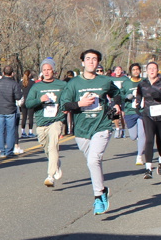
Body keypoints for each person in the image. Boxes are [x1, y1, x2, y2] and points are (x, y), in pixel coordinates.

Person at [60, 49, 122, 214]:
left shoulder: (105, 81)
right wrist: (79, 104)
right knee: (94, 163)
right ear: (83, 62)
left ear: (98, 62)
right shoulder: (74, 83)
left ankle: (98, 197)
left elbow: (117, 93)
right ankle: (103, 190)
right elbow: (64, 105)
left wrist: (117, 104)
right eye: (88, 59)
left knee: (93, 161)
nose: (91, 62)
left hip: (102, 125)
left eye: (94, 59)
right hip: (81, 129)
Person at [25, 58, 67, 187]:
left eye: (49, 69)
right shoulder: (37, 87)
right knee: (46, 147)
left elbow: (68, 98)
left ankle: (50, 176)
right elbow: (28, 104)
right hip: (41, 122)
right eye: (44, 70)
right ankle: (56, 165)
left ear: (53, 71)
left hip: (56, 120)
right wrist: (40, 100)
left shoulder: (62, 85)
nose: (47, 72)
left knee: (53, 146)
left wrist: (66, 107)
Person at [119, 63, 145, 165]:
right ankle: (140, 141)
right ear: (130, 72)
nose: (136, 71)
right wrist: (126, 97)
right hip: (130, 111)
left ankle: (139, 156)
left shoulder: (144, 82)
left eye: (137, 69)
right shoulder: (126, 83)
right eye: (133, 70)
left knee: (142, 133)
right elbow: (120, 96)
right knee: (133, 136)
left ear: (140, 71)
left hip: (142, 111)